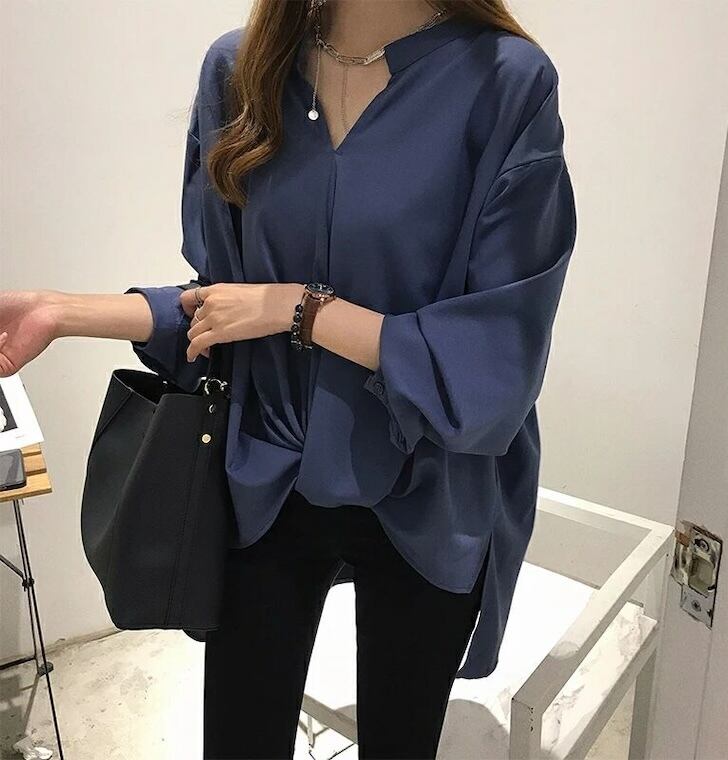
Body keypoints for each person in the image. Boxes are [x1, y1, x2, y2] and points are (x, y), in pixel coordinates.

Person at [0, 0, 577, 757]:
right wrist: (60, 312)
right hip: (268, 476)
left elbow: (494, 360)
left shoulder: (504, 81)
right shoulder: (242, 70)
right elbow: (224, 306)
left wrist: (299, 309)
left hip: (429, 485)